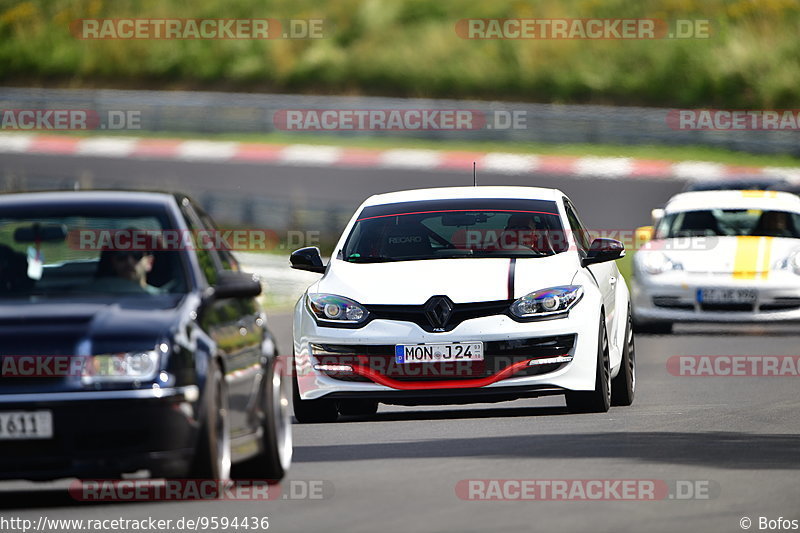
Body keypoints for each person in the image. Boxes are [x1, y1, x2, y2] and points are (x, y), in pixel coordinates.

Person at [93, 249, 161, 294]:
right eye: (121, 255)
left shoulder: (163, 297)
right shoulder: (95, 296)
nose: (129, 262)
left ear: (149, 263)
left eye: (136, 254)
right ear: (113, 262)